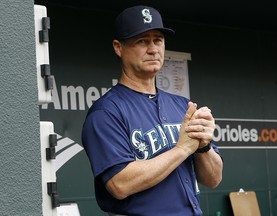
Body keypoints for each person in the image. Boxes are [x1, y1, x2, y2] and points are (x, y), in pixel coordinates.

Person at [82, 5, 223, 216]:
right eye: (142, 41)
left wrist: (203, 147)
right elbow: (120, 184)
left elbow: (213, 179)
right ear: (118, 47)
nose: (153, 49)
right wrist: (182, 149)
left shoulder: (182, 105)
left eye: (158, 40)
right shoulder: (107, 112)